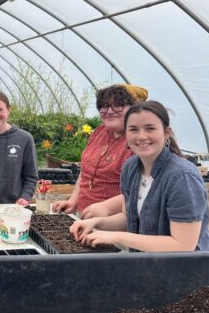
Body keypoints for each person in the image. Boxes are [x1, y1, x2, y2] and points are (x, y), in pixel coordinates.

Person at [69, 101, 209, 252]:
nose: (141, 136)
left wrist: (116, 237)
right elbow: (128, 218)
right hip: (148, 264)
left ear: (166, 133)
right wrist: (95, 223)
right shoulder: (131, 168)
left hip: (189, 270)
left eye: (150, 128)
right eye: (133, 129)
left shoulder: (182, 177)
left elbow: (183, 246)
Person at [54, 84, 148, 218]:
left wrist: (106, 207)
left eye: (118, 105)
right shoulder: (99, 132)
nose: (109, 111)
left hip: (116, 223)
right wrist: (73, 201)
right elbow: (85, 172)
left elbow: (143, 189)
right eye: (104, 106)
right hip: (84, 217)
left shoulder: (140, 141)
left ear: (135, 108)